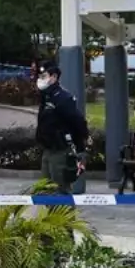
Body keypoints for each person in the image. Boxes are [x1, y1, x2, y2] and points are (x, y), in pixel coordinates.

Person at [35, 59, 89, 193]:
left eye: (44, 76)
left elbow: (77, 122)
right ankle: (50, 213)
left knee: (60, 189)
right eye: (40, 76)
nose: (40, 79)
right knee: (45, 189)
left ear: (53, 77)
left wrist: (81, 146)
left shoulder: (63, 98)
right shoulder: (46, 96)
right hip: (48, 149)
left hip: (60, 150)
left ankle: (66, 214)